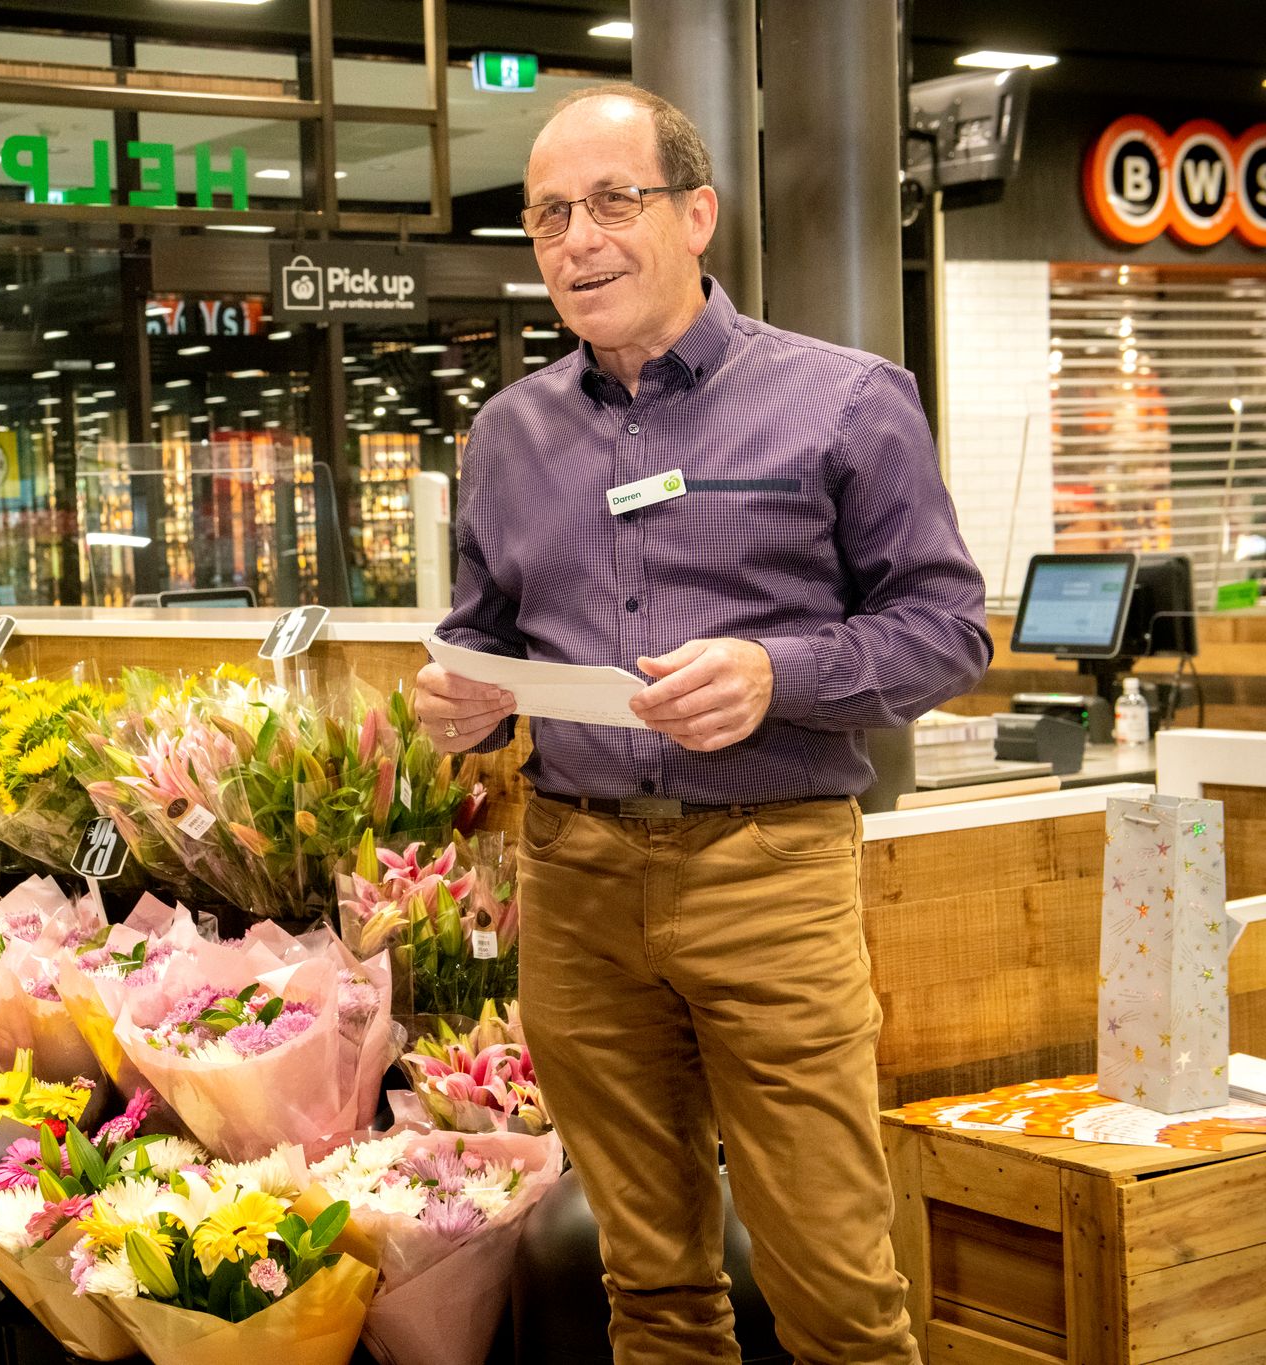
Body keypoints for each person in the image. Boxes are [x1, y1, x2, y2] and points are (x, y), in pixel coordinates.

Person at [416, 85, 990, 1364]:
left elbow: (948, 629)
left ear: (695, 214)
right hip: (572, 879)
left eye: (613, 202)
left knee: (835, 1291)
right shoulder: (507, 435)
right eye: (549, 215)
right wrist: (463, 698)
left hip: (768, 873)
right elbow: (488, 635)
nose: (579, 240)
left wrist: (772, 674)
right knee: (651, 1287)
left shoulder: (843, 402)